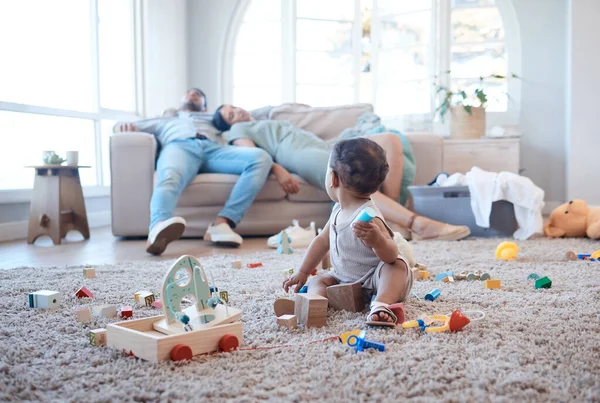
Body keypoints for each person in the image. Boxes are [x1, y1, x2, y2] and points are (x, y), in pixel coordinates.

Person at [212, 104, 471, 241]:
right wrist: (279, 170)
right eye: (230, 114)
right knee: (348, 176)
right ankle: (418, 223)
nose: (238, 111)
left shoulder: (265, 121)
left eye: (236, 106)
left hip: (321, 144)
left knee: (390, 140)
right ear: (227, 125)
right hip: (297, 152)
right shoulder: (237, 132)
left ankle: (389, 220)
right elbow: (255, 155)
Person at [113, 89, 273, 255]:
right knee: (170, 176)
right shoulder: (166, 119)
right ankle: (157, 228)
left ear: (205, 108)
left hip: (215, 150)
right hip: (180, 147)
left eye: (198, 95)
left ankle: (222, 223)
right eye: (189, 93)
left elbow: (251, 119)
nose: (192, 94)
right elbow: (121, 125)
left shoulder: (214, 118)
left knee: (261, 157)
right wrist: (121, 126)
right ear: (180, 101)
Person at [282, 138, 413, 326]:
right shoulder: (338, 210)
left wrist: (377, 241)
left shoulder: (370, 217)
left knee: (397, 267)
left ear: (333, 178)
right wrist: (303, 272)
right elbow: (321, 241)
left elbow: (391, 255)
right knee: (319, 280)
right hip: (345, 280)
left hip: (374, 279)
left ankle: (381, 303)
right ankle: (314, 302)